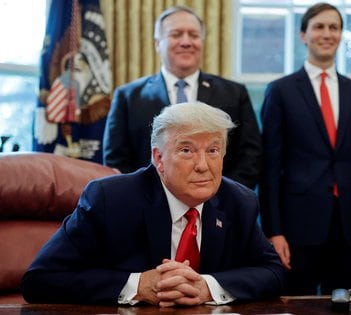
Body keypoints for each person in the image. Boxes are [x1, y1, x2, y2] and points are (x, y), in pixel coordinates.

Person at [21, 102, 284, 306]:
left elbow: (274, 272)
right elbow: (40, 280)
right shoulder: (109, 199)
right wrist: (138, 285)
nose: (203, 166)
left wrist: (208, 287)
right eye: (187, 150)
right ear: (158, 158)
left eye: (213, 151)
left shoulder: (239, 201)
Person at [259, 2, 351, 295]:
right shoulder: (280, 91)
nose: (327, 34)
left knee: (349, 307)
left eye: (334, 27)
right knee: (294, 306)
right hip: (297, 229)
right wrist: (273, 231)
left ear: (341, 35)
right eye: (319, 27)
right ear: (304, 35)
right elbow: (270, 168)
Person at [103, 5, 261, 190]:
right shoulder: (128, 97)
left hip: (218, 207)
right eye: (176, 34)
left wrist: (218, 195)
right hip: (147, 208)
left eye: (193, 35)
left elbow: (251, 156)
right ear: (157, 43)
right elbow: (116, 160)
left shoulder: (234, 93)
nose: (186, 42)